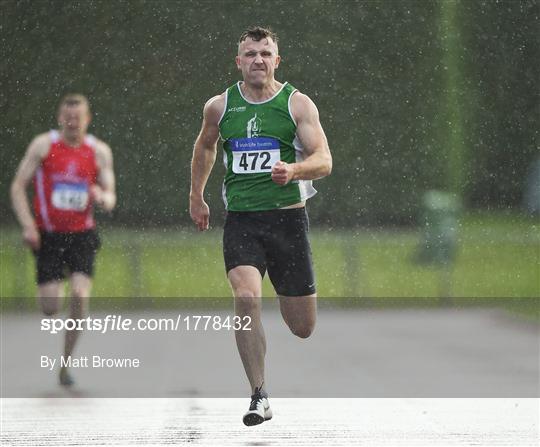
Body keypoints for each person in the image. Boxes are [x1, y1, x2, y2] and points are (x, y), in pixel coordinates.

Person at [190, 26, 332, 426]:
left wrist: (295, 169)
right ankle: (259, 394)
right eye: (250, 54)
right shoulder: (220, 106)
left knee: (302, 326)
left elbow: (324, 160)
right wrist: (196, 196)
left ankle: (267, 369)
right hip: (243, 222)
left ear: (276, 60)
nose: (257, 60)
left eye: (265, 53)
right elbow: (205, 146)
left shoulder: (297, 105)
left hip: (288, 221)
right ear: (239, 62)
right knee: (246, 296)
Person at [10, 93, 116, 387]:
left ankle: (66, 363)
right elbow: (18, 186)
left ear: (87, 120)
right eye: (67, 118)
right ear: (60, 119)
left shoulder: (99, 151)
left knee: (81, 296)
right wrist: (28, 226)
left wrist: (101, 197)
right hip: (49, 236)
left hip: (82, 234)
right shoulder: (44, 146)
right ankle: (56, 282)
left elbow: (110, 196)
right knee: (50, 306)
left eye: (77, 118)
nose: (72, 123)